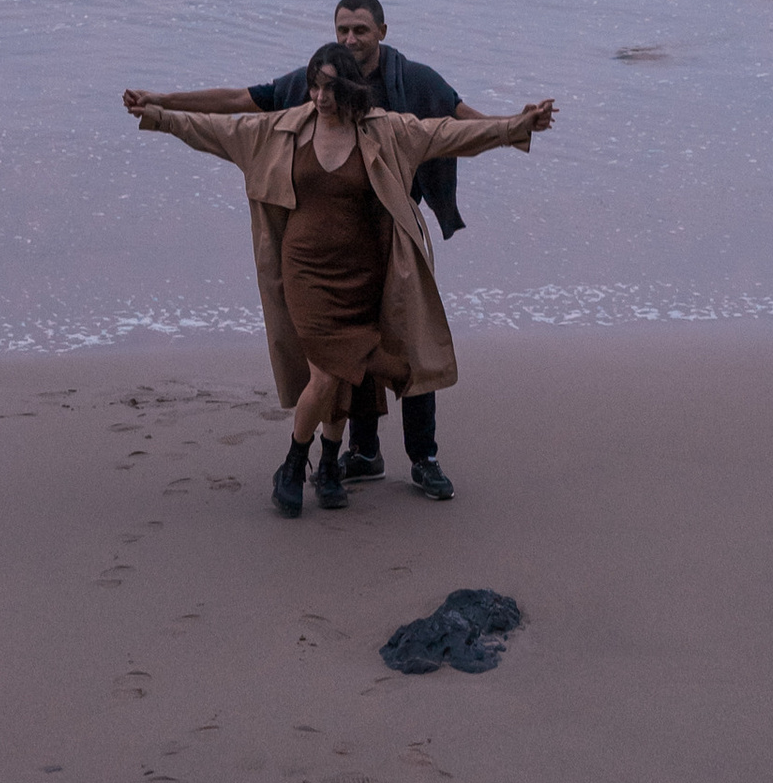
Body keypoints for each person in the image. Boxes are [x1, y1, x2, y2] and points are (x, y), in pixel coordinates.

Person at [126, 44, 553, 519]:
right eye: (314, 84)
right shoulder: (280, 129)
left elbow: (448, 135)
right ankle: (293, 464)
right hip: (305, 269)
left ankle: (329, 465)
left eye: (330, 86)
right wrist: (161, 113)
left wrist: (516, 126)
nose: (320, 95)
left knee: (344, 370)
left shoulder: (387, 131)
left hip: (363, 273)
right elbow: (215, 129)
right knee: (328, 369)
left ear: (350, 87)